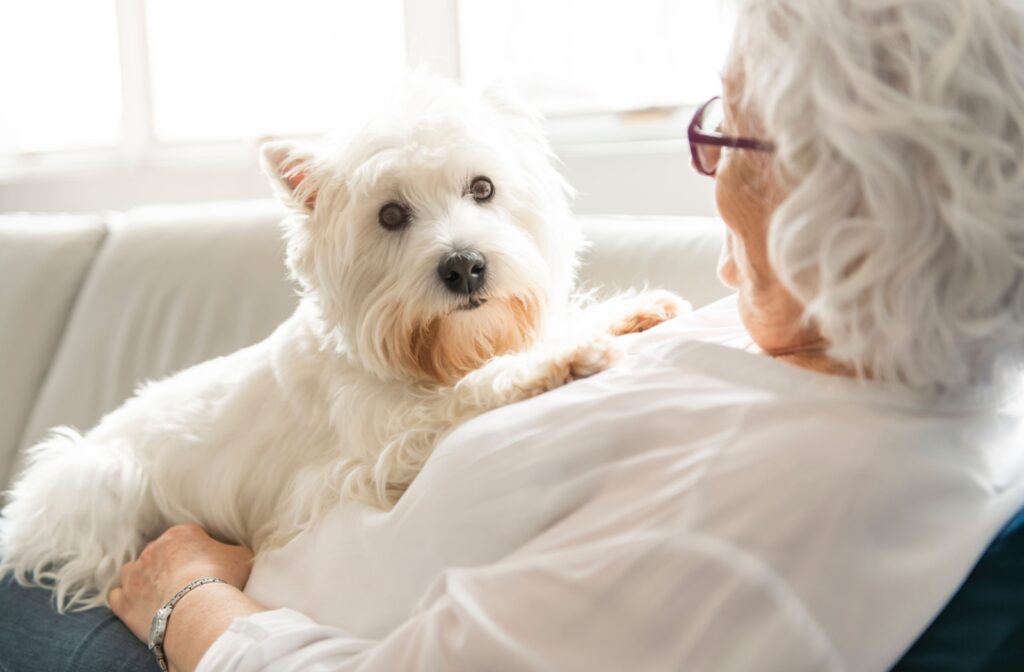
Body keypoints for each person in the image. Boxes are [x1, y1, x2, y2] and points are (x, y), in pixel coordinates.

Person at [3, 0, 1024, 669]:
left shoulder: (778, 519)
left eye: (726, 128)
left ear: (839, 195)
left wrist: (184, 599)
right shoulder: (841, 345)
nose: (705, 167)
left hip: (162, 628)